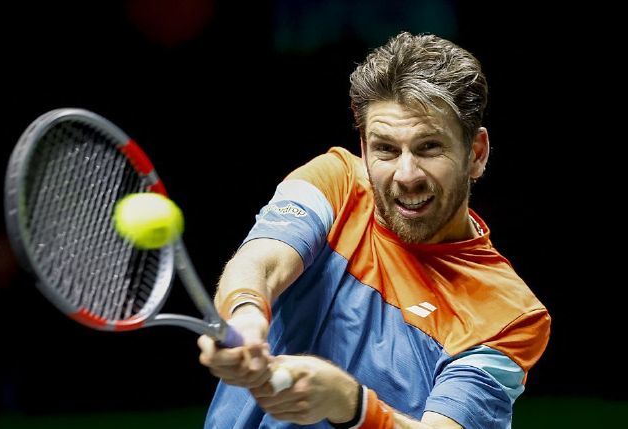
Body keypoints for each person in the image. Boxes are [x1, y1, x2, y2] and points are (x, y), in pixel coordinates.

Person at [197, 32, 550, 429]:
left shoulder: (508, 316)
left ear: (476, 154)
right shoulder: (335, 182)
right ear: (364, 150)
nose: (407, 175)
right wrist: (246, 314)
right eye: (386, 149)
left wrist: (351, 404)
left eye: (429, 147)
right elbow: (261, 261)